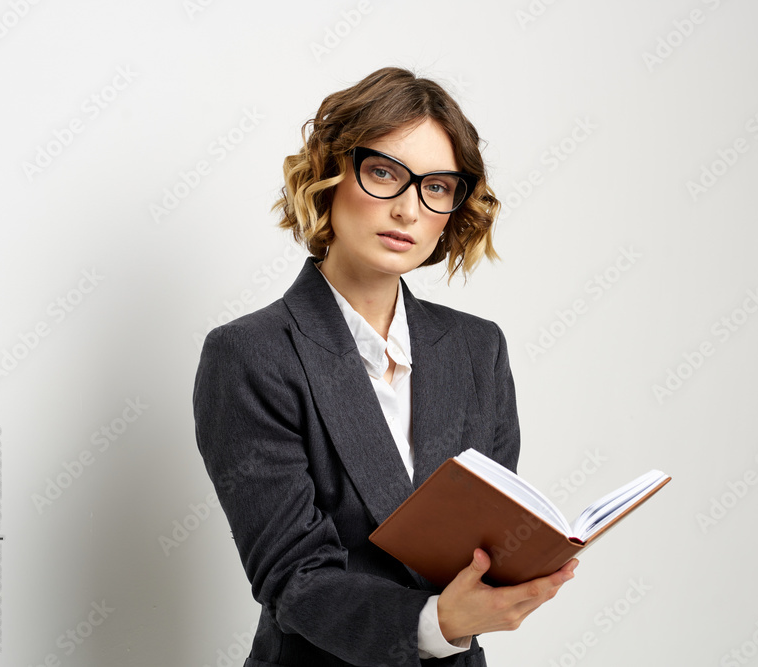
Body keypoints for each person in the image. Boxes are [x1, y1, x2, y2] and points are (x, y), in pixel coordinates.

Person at [193, 66, 578, 667]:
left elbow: (487, 538)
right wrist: (440, 623)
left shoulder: (479, 349)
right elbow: (292, 576)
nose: (407, 209)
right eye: (383, 174)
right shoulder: (250, 355)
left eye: (437, 187)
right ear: (328, 175)